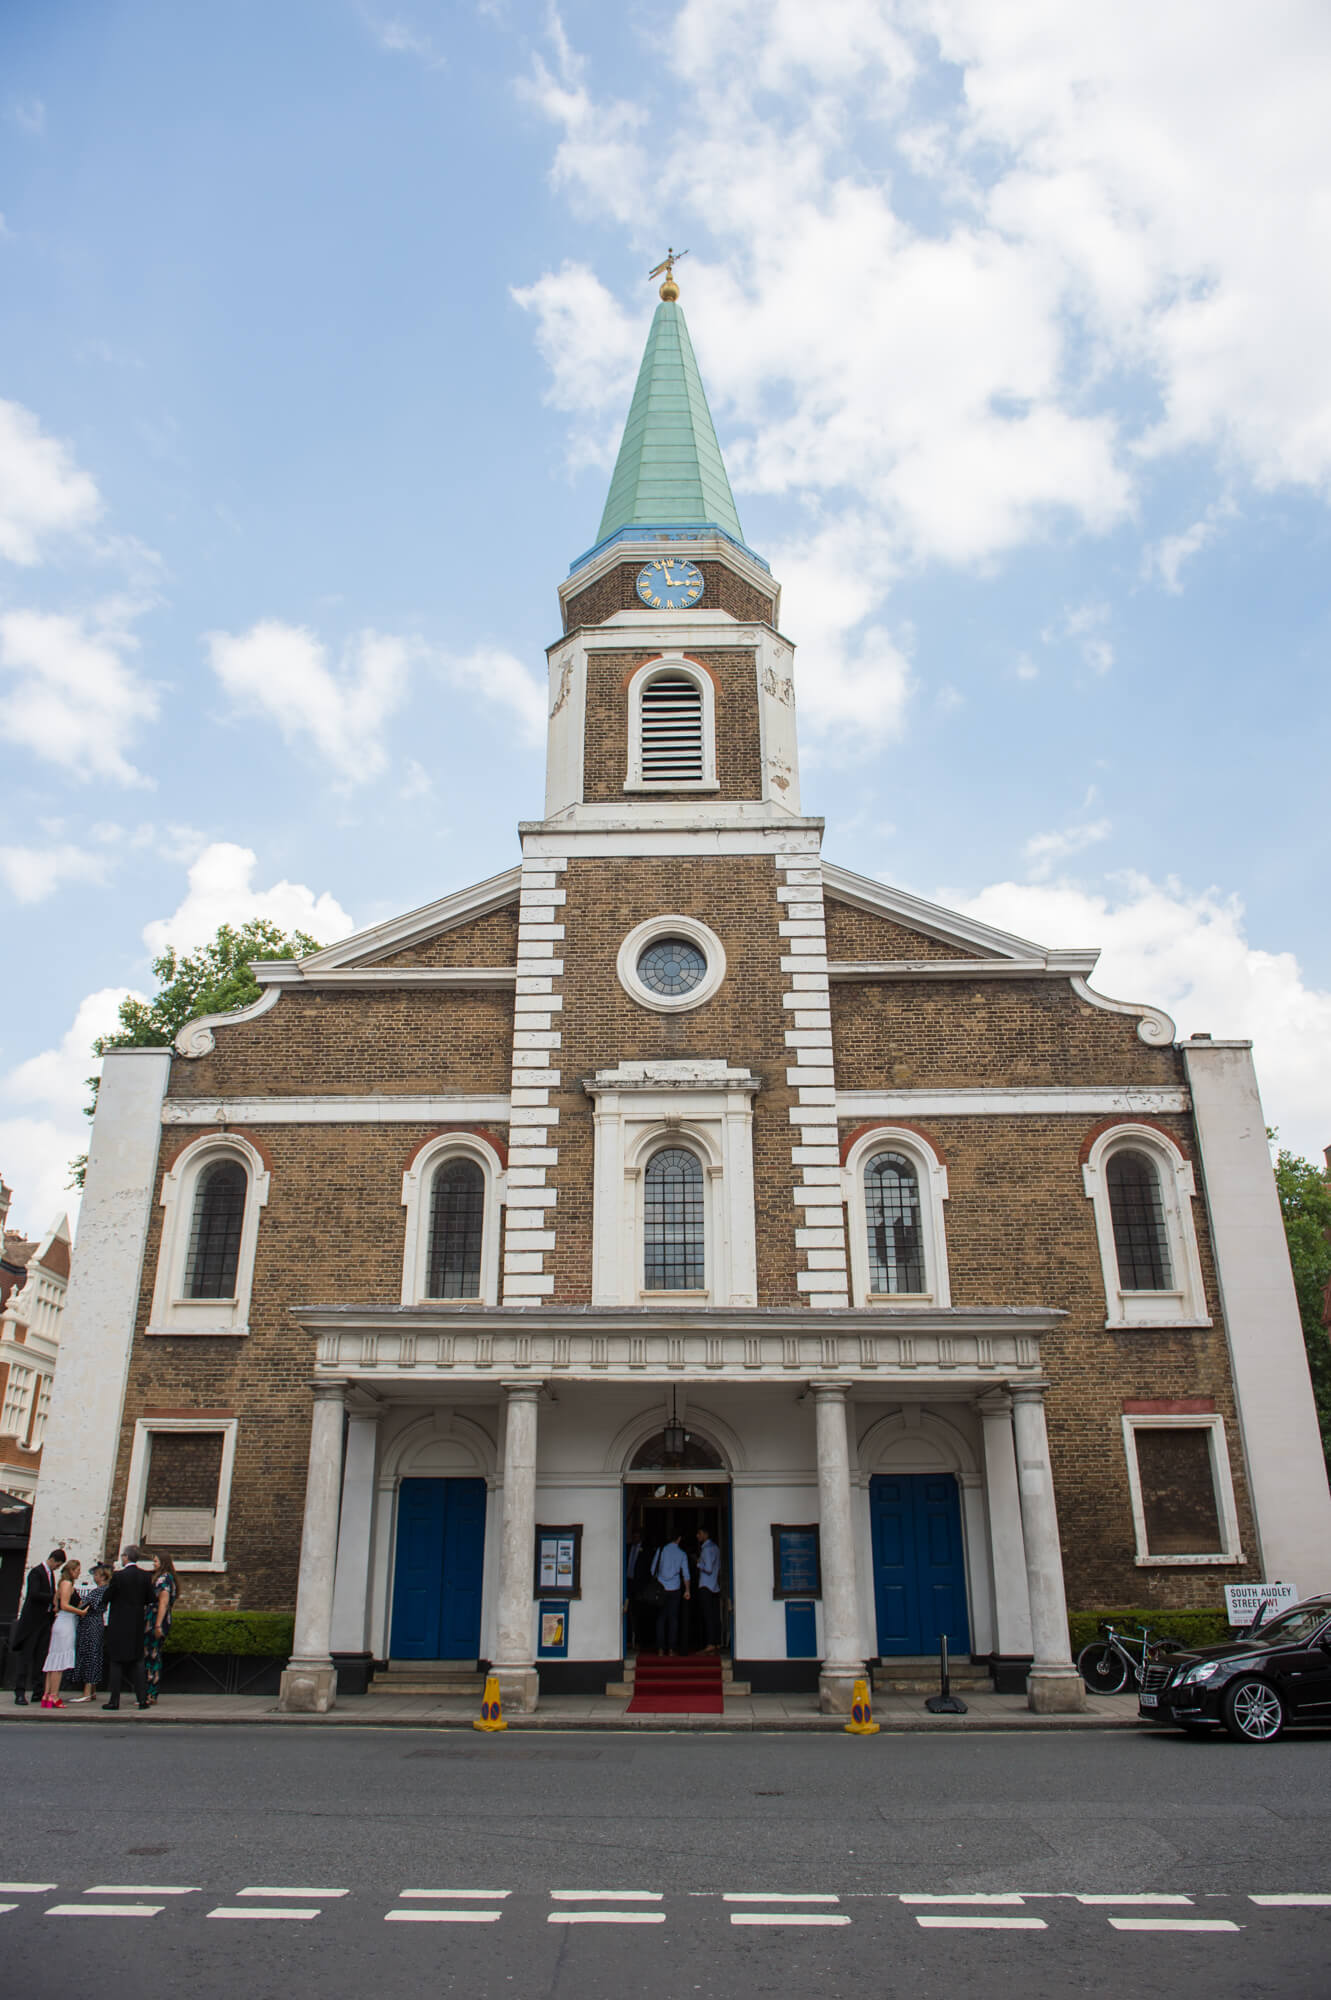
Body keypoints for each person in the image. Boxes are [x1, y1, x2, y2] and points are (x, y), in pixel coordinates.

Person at [102, 1547, 155, 1711]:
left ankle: (114, 1701)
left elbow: (107, 1597)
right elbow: (151, 1598)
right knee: (138, 1662)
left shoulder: (118, 1576)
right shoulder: (145, 1576)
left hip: (118, 1624)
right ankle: (142, 1700)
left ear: (125, 1557)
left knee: (116, 1662)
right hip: (137, 1623)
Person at [10, 1547, 65, 1705]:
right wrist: (53, 1597)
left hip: (44, 1621)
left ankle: (37, 1691)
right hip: (32, 1623)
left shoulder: (50, 1574)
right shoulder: (36, 1572)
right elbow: (33, 1594)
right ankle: (19, 1692)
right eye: (58, 1565)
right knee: (26, 1658)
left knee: (41, 1658)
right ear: (53, 1560)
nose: (57, 1568)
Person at [41, 1559, 86, 1707]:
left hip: (61, 1622)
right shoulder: (66, 1584)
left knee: (53, 1660)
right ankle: (54, 1695)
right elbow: (63, 1605)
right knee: (58, 1662)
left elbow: (55, 1606)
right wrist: (81, 1612)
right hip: (65, 1623)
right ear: (71, 1571)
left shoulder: (62, 1584)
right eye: (78, 1570)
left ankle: (46, 1695)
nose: (79, 1573)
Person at [70, 1563, 112, 1703]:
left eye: (95, 1574)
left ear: (102, 1576)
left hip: (91, 1624)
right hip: (95, 1623)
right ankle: (92, 1691)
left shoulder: (100, 1590)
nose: (93, 1577)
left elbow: (85, 1606)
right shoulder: (104, 1590)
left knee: (90, 1654)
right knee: (93, 1654)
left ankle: (87, 1692)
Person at [144, 1553, 178, 1704]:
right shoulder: (165, 1578)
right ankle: (149, 1691)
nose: (154, 1563)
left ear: (163, 1562)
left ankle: (151, 1693)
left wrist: (157, 1624)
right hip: (153, 1619)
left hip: (155, 1620)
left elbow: (163, 1603)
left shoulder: (164, 1579)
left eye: (156, 1561)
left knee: (152, 1655)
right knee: (151, 1655)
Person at [651, 1532, 690, 1656]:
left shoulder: (661, 1550)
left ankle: (660, 1649)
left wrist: (659, 1579)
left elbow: (652, 1570)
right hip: (675, 1589)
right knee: (673, 1619)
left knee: (661, 1618)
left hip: (661, 1589)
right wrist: (687, 1590)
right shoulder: (682, 1554)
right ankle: (671, 1649)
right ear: (679, 1539)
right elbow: (686, 1574)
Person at [624, 1524, 655, 1653]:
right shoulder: (628, 1547)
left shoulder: (646, 1550)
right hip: (628, 1583)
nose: (634, 1538)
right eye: (633, 1536)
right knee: (627, 1612)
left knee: (640, 1614)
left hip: (640, 1586)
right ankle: (629, 1640)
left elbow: (649, 1569)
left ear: (641, 1537)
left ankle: (640, 1641)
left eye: (637, 1536)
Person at [695, 1526, 722, 1653]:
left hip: (706, 1585)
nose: (697, 1536)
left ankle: (710, 1643)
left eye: (699, 1533)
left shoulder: (706, 1549)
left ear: (706, 1534)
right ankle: (716, 1642)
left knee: (708, 1615)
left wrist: (698, 1563)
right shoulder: (716, 1548)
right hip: (715, 1586)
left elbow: (709, 1569)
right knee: (715, 1615)